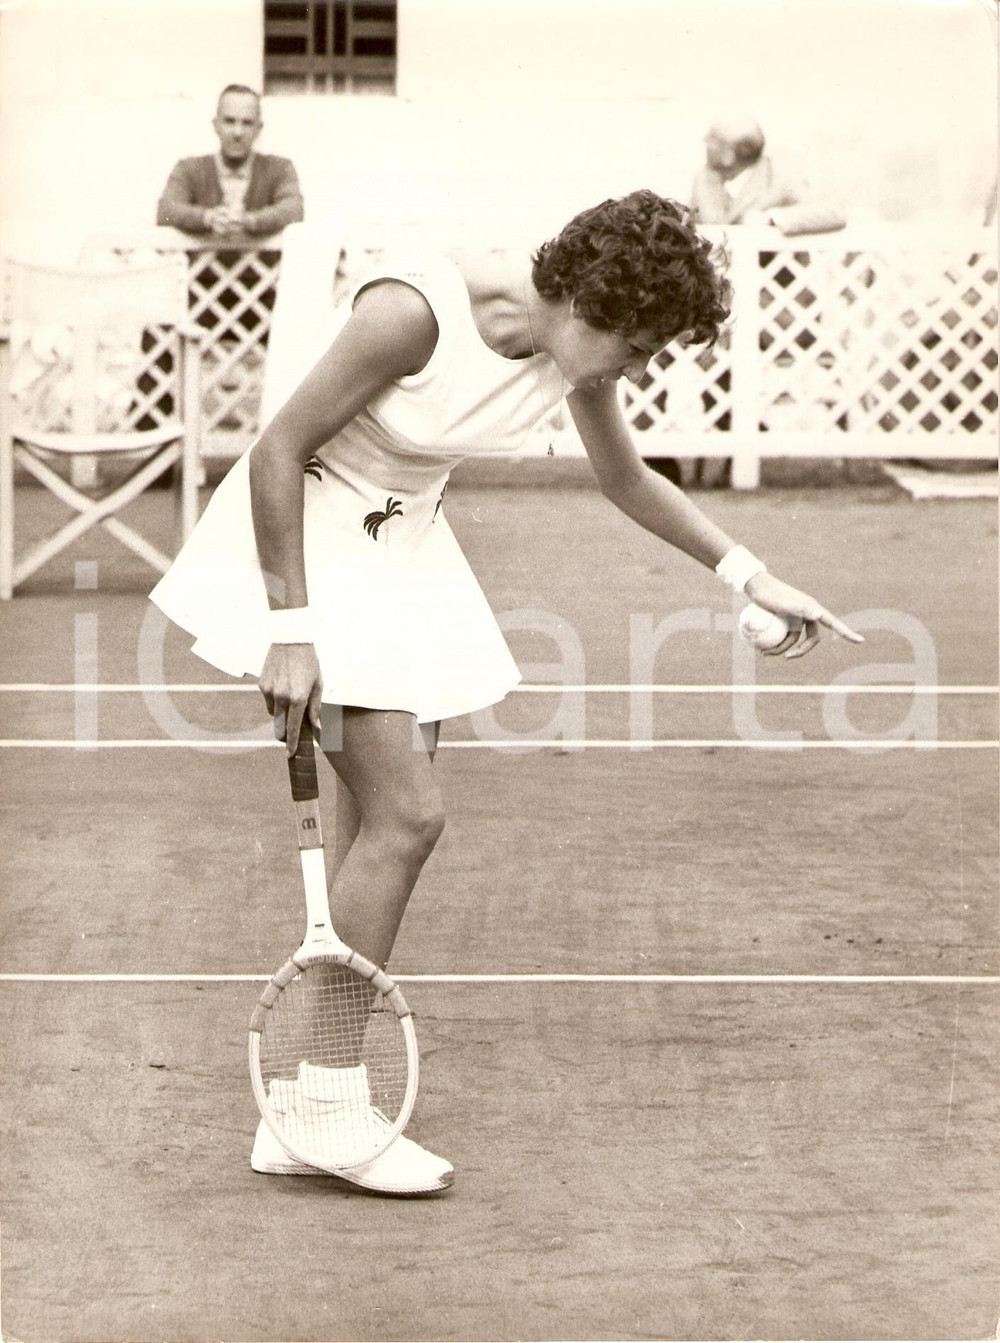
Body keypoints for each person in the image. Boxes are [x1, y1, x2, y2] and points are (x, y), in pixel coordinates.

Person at [149, 190, 862, 1196]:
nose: (638, 368)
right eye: (639, 345)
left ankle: (303, 1112)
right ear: (590, 303)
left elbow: (626, 479)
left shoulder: (567, 348)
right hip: (305, 543)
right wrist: (292, 632)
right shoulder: (417, 314)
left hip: (400, 546)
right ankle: (322, 1097)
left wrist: (751, 573)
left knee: (374, 818)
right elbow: (275, 449)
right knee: (408, 813)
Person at [156, 84, 304, 239]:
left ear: (259, 129)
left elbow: (293, 209)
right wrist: (207, 218)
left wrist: (250, 221)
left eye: (247, 123)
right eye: (229, 121)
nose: (237, 132)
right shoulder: (189, 168)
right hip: (203, 263)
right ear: (216, 125)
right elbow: (166, 209)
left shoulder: (279, 168)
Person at [690, 115, 800, 227]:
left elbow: (816, 212)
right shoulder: (704, 177)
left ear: (729, 155)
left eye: (713, 138)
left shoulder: (778, 179)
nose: (705, 140)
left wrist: (772, 218)